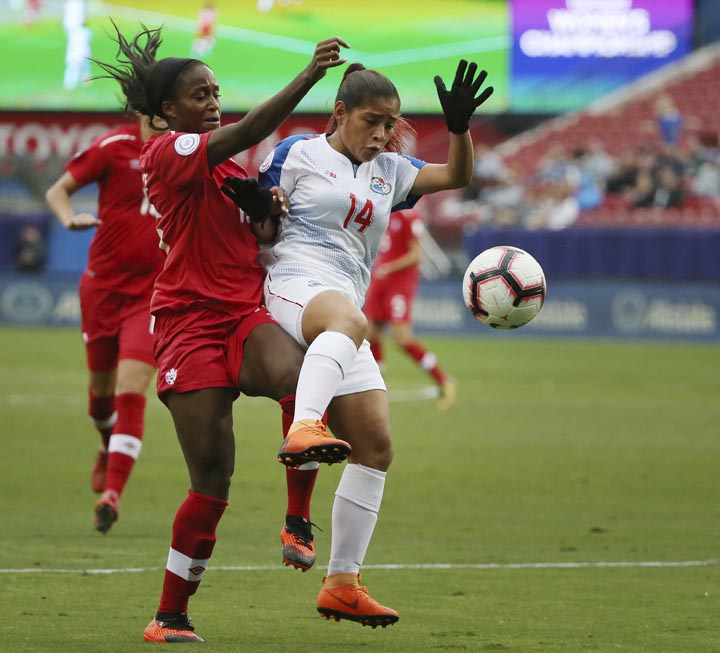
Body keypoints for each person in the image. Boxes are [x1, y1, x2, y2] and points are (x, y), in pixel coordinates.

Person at [91, 21, 351, 643]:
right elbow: (250, 130)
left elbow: (257, 237)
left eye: (215, 92)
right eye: (199, 95)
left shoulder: (227, 165)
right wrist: (310, 77)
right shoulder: (167, 151)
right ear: (165, 111)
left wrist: (269, 217)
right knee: (213, 477)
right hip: (186, 325)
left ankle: (297, 520)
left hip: (241, 313)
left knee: (300, 378)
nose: (212, 104)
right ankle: (170, 615)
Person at [257, 59, 493, 627]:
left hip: (344, 309)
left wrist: (459, 129)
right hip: (293, 283)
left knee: (377, 445)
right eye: (372, 120)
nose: (383, 133)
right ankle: (304, 426)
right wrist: (262, 210)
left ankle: (342, 581)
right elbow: (259, 220)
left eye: (391, 123)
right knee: (349, 322)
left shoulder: (390, 170)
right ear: (340, 113)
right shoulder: (298, 153)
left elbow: (456, 177)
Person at [45, 112, 167, 535]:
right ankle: (105, 441)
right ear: (148, 107)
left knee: (129, 390)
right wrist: (68, 218)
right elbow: (58, 190)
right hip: (102, 290)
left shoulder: (186, 151)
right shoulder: (114, 147)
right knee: (100, 399)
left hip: (151, 295)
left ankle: (112, 494)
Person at [363, 207, 457, 409]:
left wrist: (390, 267)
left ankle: (443, 380)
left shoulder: (409, 216)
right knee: (370, 333)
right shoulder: (383, 209)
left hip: (399, 284)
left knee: (401, 338)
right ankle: (375, 387)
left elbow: (416, 254)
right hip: (380, 281)